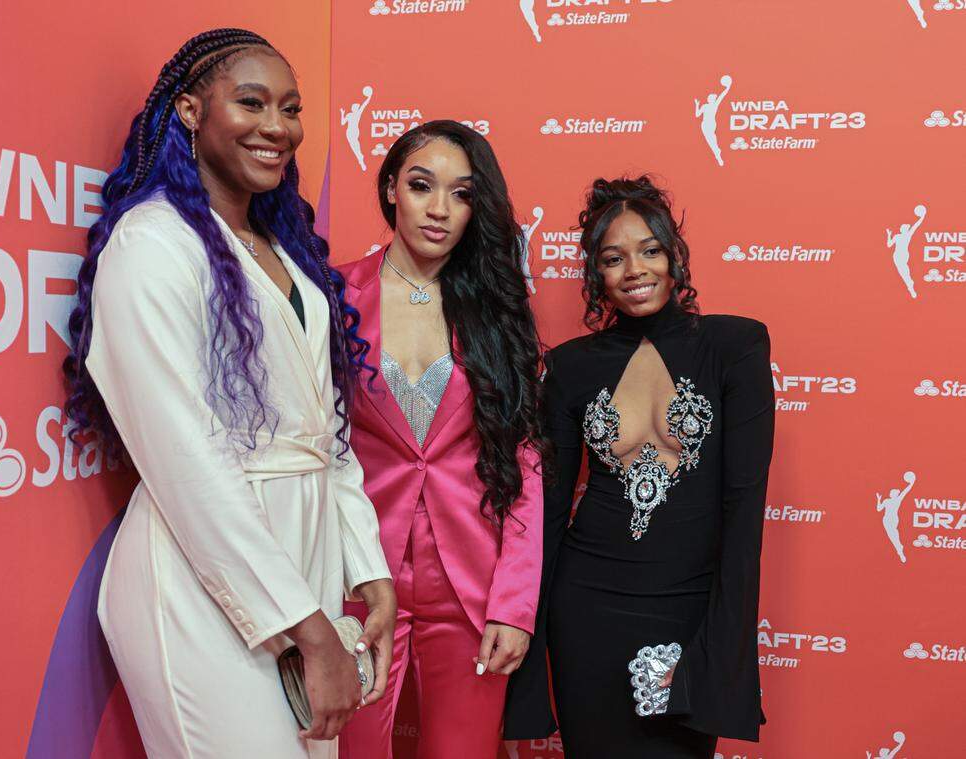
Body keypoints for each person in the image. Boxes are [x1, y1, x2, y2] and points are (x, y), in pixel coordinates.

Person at [62, 29, 396, 758]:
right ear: (188, 109)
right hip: (195, 579)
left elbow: (326, 431)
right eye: (251, 102)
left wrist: (366, 564)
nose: (277, 126)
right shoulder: (151, 244)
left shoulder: (284, 255)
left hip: (300, 560)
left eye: (291, 107)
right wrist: (309, 628)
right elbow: (185, 460)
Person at [505, 176, 774, 758]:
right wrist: (524, 623)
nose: (634, 269)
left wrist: (719, 645)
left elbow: (744, 506)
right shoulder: (572, 367)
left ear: (674, 256)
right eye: (612, 258)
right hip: (588, 606)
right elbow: (548, 510)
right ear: (595, 275)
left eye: (649, 250)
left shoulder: (734, 346)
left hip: (686, 608)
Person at [337, 120, 545, 758]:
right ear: (391, 188)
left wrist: (513, 604)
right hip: (359, 578)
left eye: (461, 194)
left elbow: (525, 465)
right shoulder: (333, 295)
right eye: (422, 185)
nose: (439, 209)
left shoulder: (497, 311)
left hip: (472, 587)